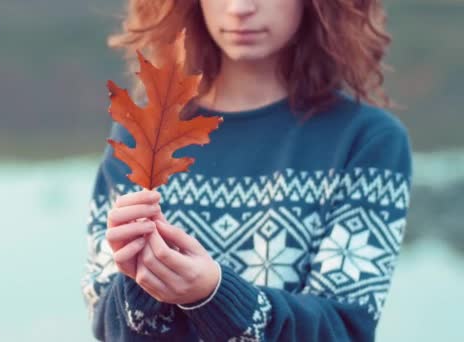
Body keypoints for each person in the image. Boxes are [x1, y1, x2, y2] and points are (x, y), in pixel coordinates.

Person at [81, 0, 413, 341]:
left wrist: (213, 295)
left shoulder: (367, 140)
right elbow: (107, 326)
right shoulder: (144, 134)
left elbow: (344, 330)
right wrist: (142, 284)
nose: (240, 7)